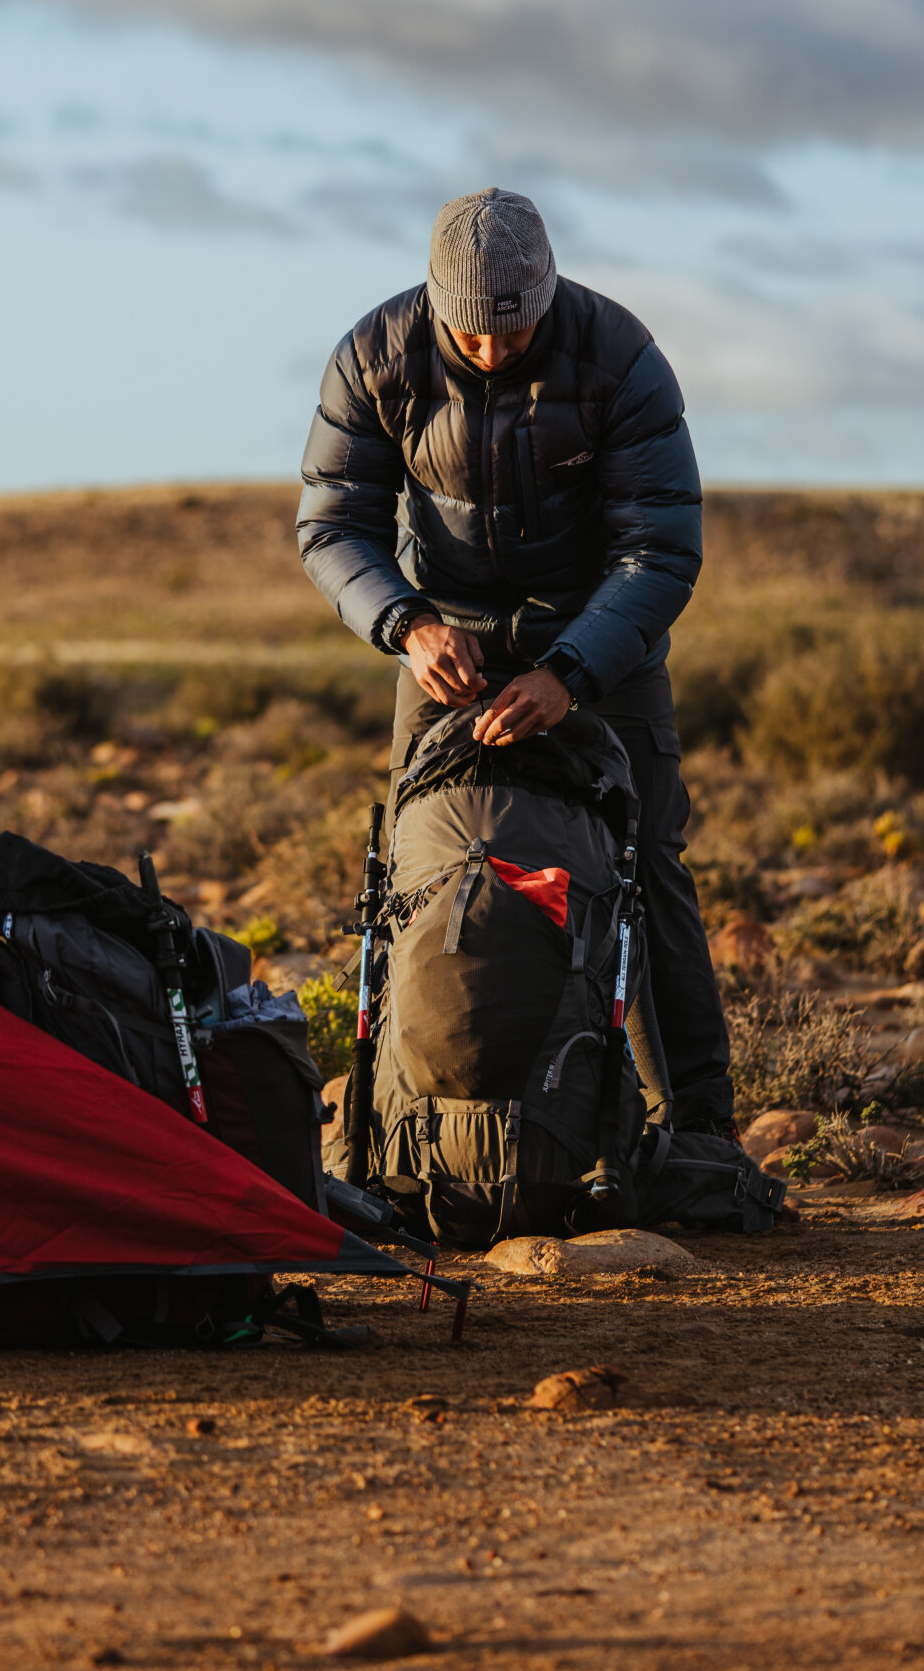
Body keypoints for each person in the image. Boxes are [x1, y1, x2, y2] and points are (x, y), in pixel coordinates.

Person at [295, 186, 733, 1135]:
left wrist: (572, 671)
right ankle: (408, 1126)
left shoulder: (620, 357)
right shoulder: (374, 358)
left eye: (515, 327)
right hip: (439, 644)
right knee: (422, 866)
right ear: (435, 298)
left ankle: (695, 1131)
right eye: (470, 331)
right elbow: (333, 525)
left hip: (602, 644)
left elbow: (659, 549)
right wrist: (406, 625)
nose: (492, 350)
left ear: (547, 291)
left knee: (645, 864)